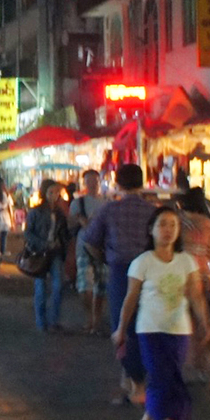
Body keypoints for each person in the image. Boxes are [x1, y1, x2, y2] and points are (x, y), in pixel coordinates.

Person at [112, 207, 209, 420]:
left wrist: (204, 323)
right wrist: (121, 329)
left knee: (173, 378)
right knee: (158, 378)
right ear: (151, 230)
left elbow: (195, 296)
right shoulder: (142, 262)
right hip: (150, 330)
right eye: (163, 225)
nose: (168, 231)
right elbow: (130, 299)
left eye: (173, 226)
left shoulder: (186, 261)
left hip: (179, 330)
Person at [83, 164, 158, 405]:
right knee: (145, 324)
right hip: (149, 272)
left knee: (123, 327)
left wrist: (104, 257)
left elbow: (90, 240)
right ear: (142, 183)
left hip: (121, 271)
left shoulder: (109, 210)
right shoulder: (152, 211)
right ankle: (137, 379)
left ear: (118, 183)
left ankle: (136, 384)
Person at [23, 182, 71, 332]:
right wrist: (43, 243)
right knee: (40, 288)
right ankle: (41, 322)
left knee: (58, 286)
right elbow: (28, 233)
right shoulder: (36, 212)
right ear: (44, 193)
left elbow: (64, 233)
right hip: (39, 253)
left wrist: (62, 241)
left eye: (57, 192)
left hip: (55, 252)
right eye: (51, 192)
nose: (54, 195)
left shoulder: (59, 213)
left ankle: (54, 320)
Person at [68, 169, 107, 334]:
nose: (93, 184)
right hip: (83, 248)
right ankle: (89, 317)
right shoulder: (78, 203)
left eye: (95, 181)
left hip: (102, 249)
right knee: (84, 286)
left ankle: (96, 320)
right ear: (84, 183)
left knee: (100, 286)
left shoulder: (107, 203)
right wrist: (78, 220)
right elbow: (69, 225)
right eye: (89, 181)